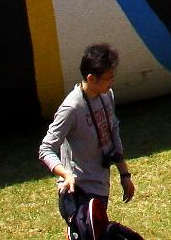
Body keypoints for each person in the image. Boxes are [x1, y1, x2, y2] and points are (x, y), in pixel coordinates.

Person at [39, 43, 142, 240]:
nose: (112, 82)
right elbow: (46, 148)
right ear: (91, 78)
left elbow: (112, 133)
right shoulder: (71, 108)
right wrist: (66, 174)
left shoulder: (106, 96)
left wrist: (124, 173)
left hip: (100, 187)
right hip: (78, 191)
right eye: (108, 78)